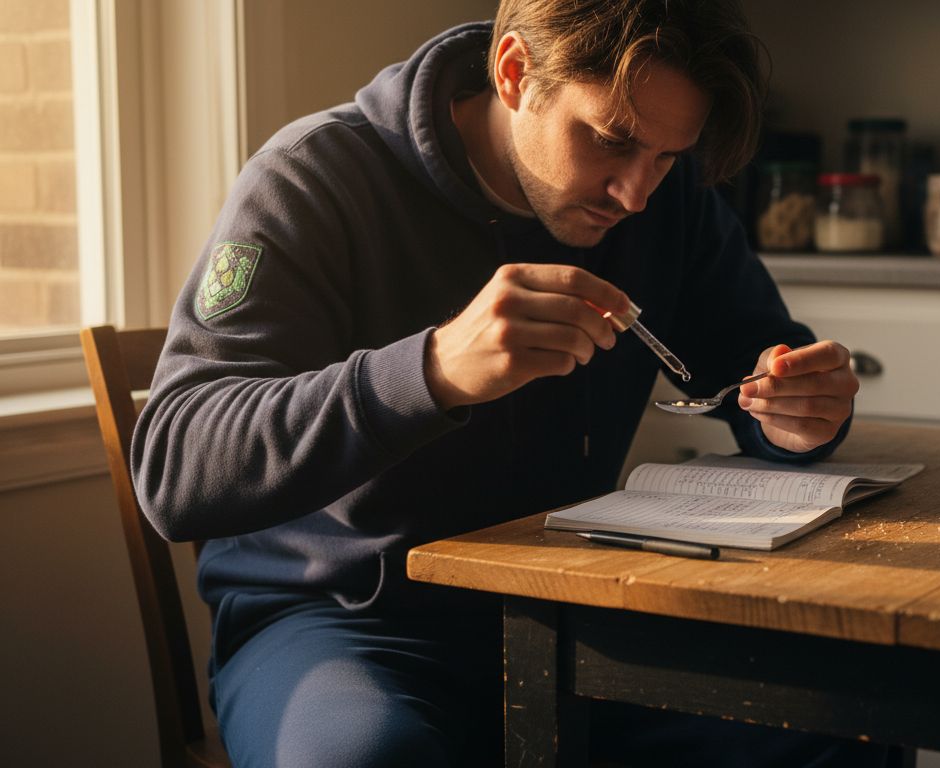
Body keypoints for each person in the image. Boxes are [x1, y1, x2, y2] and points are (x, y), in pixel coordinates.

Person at [132, 1, 873, 765]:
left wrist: (799, 414)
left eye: (665, 157)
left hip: (576, 610)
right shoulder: (313, 177)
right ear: (515, 72)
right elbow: (175, 468)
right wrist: (431, 371)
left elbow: (756, 363)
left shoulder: (666, 201)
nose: (635, 195)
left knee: (839, 724)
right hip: (344, 623)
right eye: (611, 140)